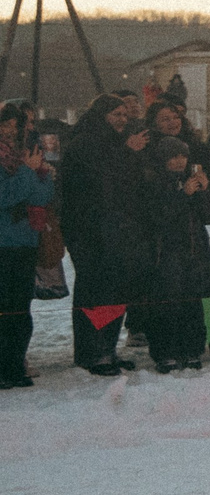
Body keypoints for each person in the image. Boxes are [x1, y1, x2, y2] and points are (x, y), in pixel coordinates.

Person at [58, 95, 147, 375]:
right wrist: (126, 152)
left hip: (115, 227)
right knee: (95, 289)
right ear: (101, 115)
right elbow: (101, 179)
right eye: (116, 114)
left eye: (125, 115)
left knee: (115, 288)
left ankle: (107, 348)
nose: (123, 120)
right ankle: (91, 351)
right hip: (89, 229)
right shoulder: (85, 141)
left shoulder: (113, 142)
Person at [135, 136, 210, 372]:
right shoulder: (153, 182)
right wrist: (183, 196)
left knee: (193, 302)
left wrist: (205, 190)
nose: (179, 161)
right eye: (174, 156)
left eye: (183, 156)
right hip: (166, 252)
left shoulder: (190, 180)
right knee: (166, 303)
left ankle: (192, 349)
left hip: (195, 250)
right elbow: (158, 218)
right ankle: (165, 352)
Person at [0, 108, 55, 385]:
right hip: (3, 242)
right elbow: (5, 196)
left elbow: (42, 197)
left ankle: (13, 366)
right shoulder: (20, 163)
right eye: (5, 124)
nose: (10, 130)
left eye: (15, 125)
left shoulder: (28, 155)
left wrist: (38, 175)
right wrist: (28, 172)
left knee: (20, 310)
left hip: (24, 241)